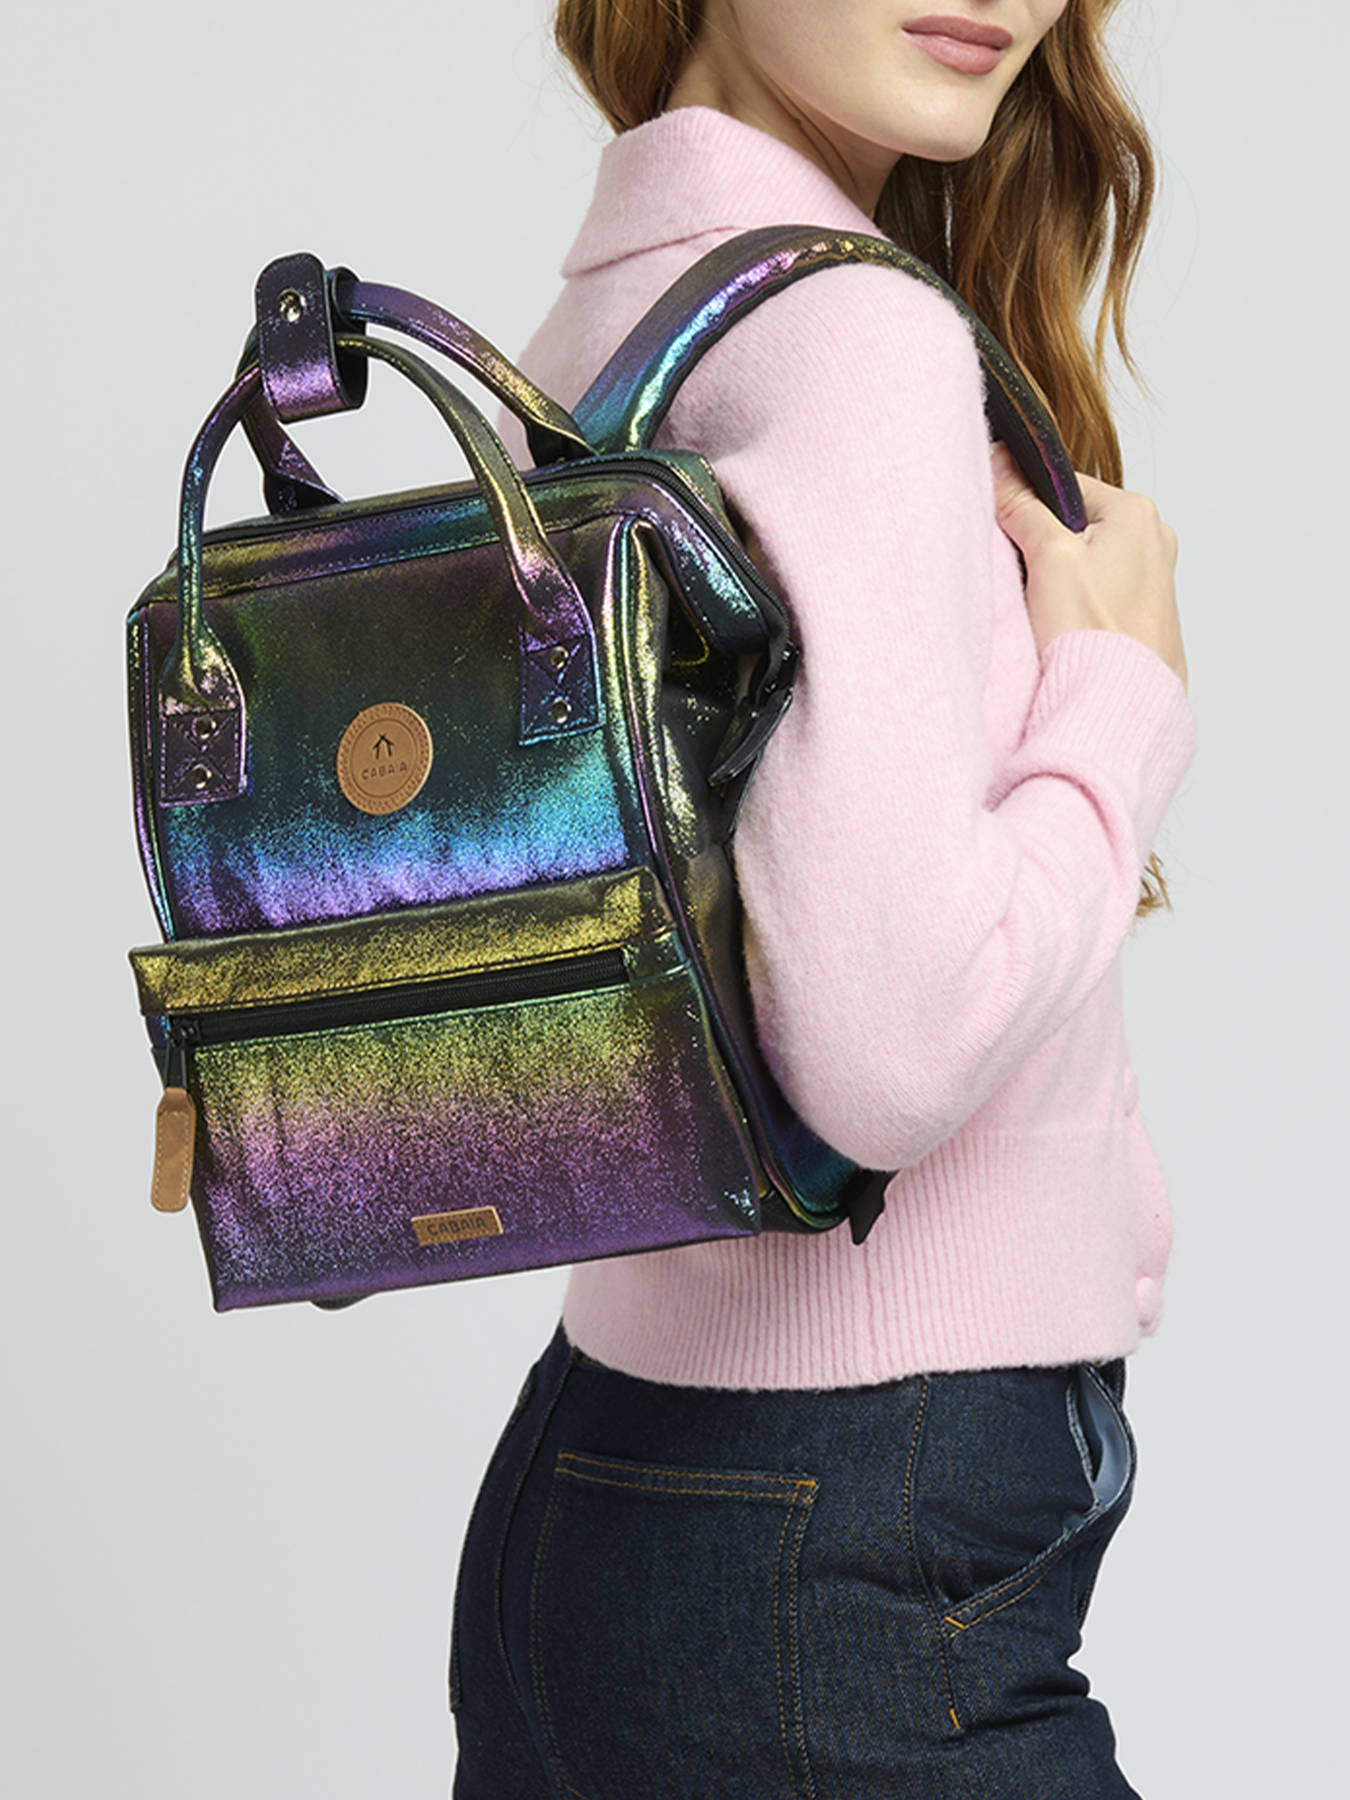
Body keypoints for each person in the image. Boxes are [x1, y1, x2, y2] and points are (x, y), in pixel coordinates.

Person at [449, 2, 1195, 1794]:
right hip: (848, 1540)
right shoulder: (852, 334)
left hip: (604, 1493)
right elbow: (884, 1048)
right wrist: (1119, 697)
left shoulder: (610, 314)